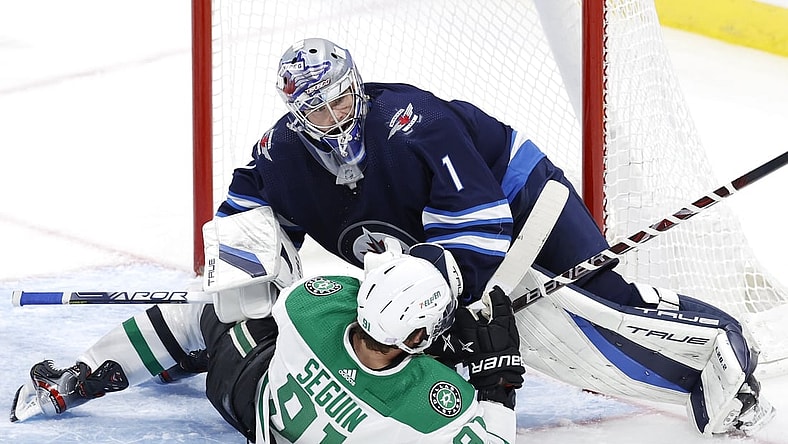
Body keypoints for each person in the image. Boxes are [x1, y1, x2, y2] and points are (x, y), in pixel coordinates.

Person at [11, 37, 773, 436]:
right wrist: (244, 274)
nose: (337, 116)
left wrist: (455, 301)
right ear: (295, 115)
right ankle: (93, 369)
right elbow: (240, 229)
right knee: (235, 310)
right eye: (318, 108)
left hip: (516, 199)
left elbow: (481, 232)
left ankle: (720, 348)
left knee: (597, 314)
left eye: (343, 98)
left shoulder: (414, 124)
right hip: (426, 243)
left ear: (356, 86)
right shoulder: (281, 156)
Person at [14, 244, 527, 443]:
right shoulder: (433, 400)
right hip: (265, 431)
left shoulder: (310, 307)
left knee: (211, 312)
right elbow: (491, 438)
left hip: (240, 387)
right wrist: (497, 382)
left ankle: (77, 380)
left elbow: (339, 291)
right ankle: (185, 355)